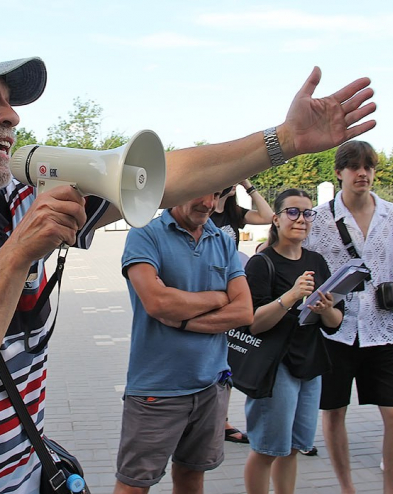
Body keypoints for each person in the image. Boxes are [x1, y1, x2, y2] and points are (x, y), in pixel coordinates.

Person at [0, 48, 377, 493]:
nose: (12, 116)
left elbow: (163, 176)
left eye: (9, 103)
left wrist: (282, 141)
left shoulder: (18, 207)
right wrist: (18, 254)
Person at [303, 141, 393, 494]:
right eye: (353, 166)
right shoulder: (318, 218)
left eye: (368, 166)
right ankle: (347, 488)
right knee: (334, 414)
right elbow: (297, 261)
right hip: (335, 331)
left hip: (383, 330)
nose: (361, 173)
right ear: (338, 172)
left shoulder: (392, 215)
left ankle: (390, 490)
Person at [114, 191, 252, 493]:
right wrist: (218, 297)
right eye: (198, 193)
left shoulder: (223, 241)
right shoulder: (144, 235)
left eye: (216, 195)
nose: (208, 203)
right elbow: (158, 303)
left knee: (192, 477)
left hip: (211, 386)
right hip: (157, 389)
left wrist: (185, 319)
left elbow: (243, 311)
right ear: (177, 191)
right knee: (133, 485)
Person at [242, 189, 342, 494]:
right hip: (276, 367)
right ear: (276, 219)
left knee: (294, 447)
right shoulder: (262, 263)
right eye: (293, 212)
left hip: (310, 364)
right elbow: (253, 324)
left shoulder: (317, 261)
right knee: (267, 449)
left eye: (307, 213)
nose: (301, 219)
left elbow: (336, 322)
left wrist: (326, 311)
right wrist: (290, 296)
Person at [211, 180, 273, 444]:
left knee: (229, 356)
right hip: (210, 290)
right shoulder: (206, 210)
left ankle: (220, 420)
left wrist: (248, 185)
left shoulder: (235, 214)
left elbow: (269, 217)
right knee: (213, 354)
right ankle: (211, 418)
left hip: (233, 291)